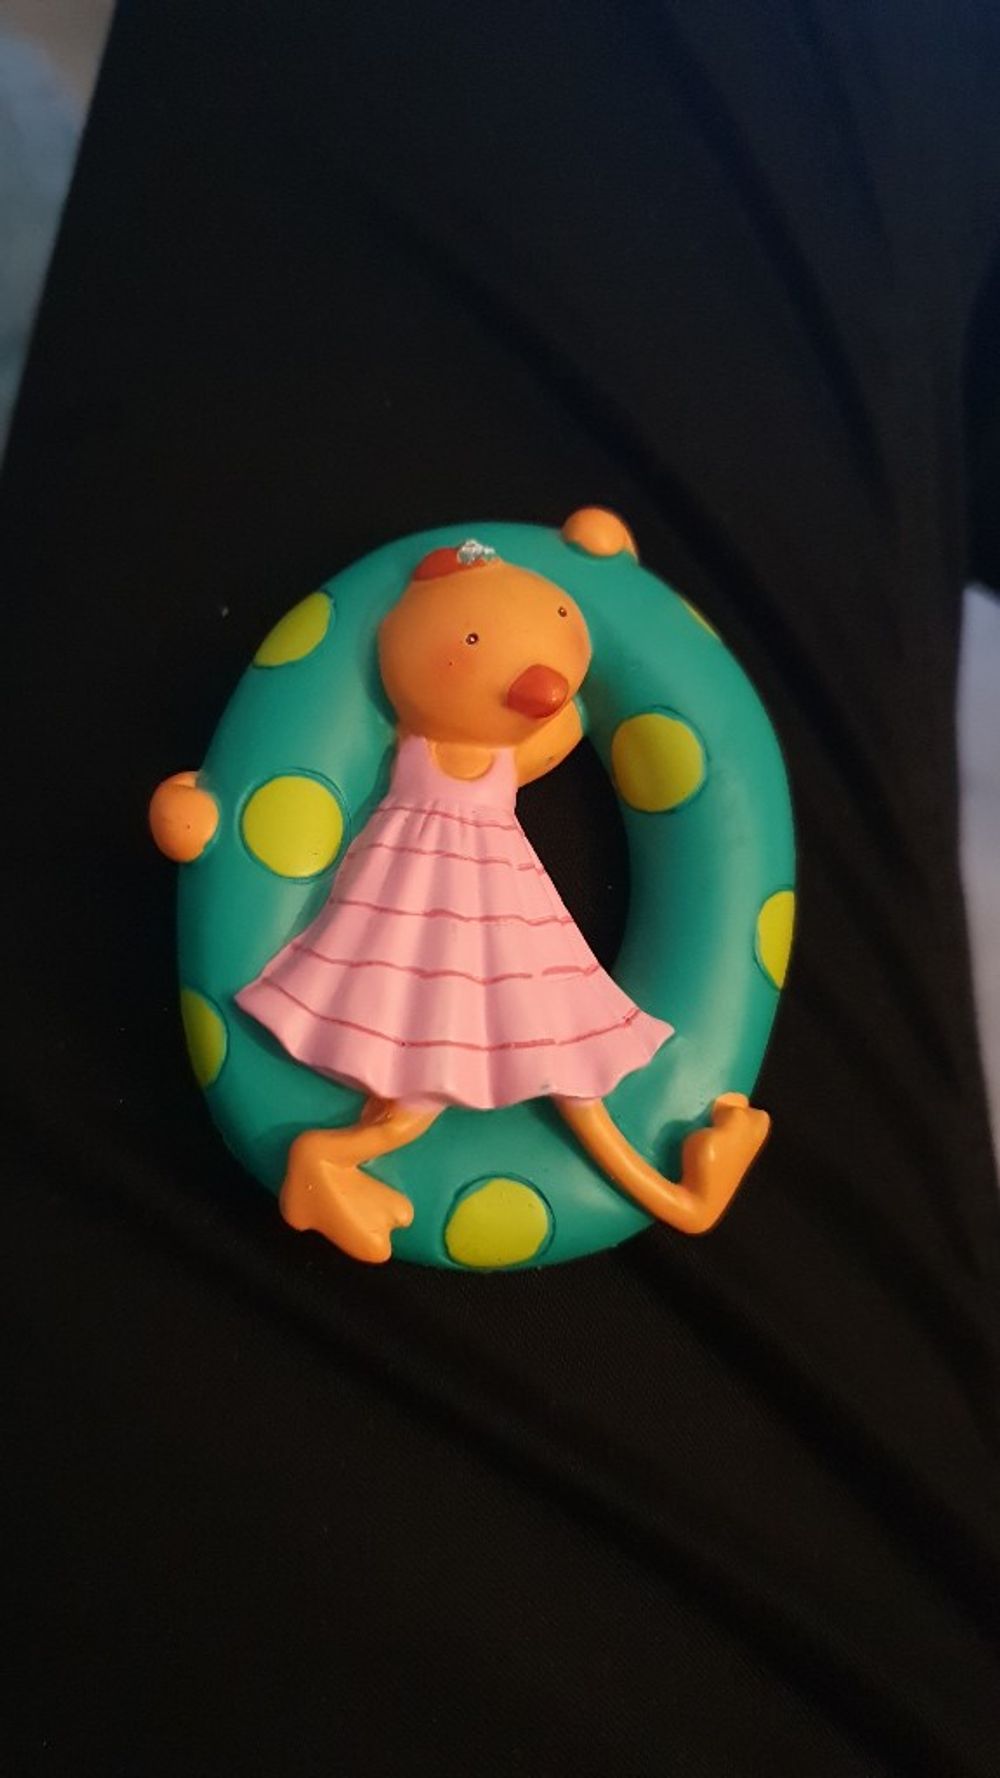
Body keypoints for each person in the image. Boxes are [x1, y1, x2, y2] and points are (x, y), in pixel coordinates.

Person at [3, 4, 999, 1774]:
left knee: (559, 1056)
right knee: (440, 1055)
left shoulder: (515, 701)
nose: (536, 676)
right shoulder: (416, 704)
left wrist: (219, 817)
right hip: (422, 929)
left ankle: (674, 1177)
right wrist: (205, 820)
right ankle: (449, 1160)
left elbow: (551, 720)